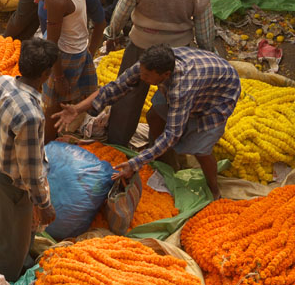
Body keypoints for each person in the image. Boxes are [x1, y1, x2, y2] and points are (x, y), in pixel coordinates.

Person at [55, 44, 240, 199]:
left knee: (201, 149)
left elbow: (171, 135)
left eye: (146, 76)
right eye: (141, 73)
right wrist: (77, 109)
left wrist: (135, 163)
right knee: (153, 116)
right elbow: (115, 88)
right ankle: (163, 161)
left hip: (219, 94)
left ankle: (215, 190)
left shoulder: (181, 89)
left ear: (165, 75)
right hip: (201, 77)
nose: (141, 78)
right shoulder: (146, 66)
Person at [103, 0, 215, 146]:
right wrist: (207, 56)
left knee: (128, 96)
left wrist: (112, 35)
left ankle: (117, 144)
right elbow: (205, 35)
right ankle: (163, 149)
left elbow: (121, 12)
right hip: (176, 54)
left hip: (140, 46)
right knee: (172, 104)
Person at [0, 37, 59, 281]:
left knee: (13, 231)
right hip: (17, 186)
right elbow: (30, 169)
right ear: (46, 73)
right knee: (11, 243)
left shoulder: (0, 82)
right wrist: (43, 204)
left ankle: (14, 264)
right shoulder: (31, 116)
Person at [42, 0, 106, 141]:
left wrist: (90, 52)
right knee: (55, 109)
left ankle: (67, 135)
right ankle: (47, 146)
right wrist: (59, 77)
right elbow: (52, 43)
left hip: (80, 52)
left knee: (82, 99)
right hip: (64, 56)